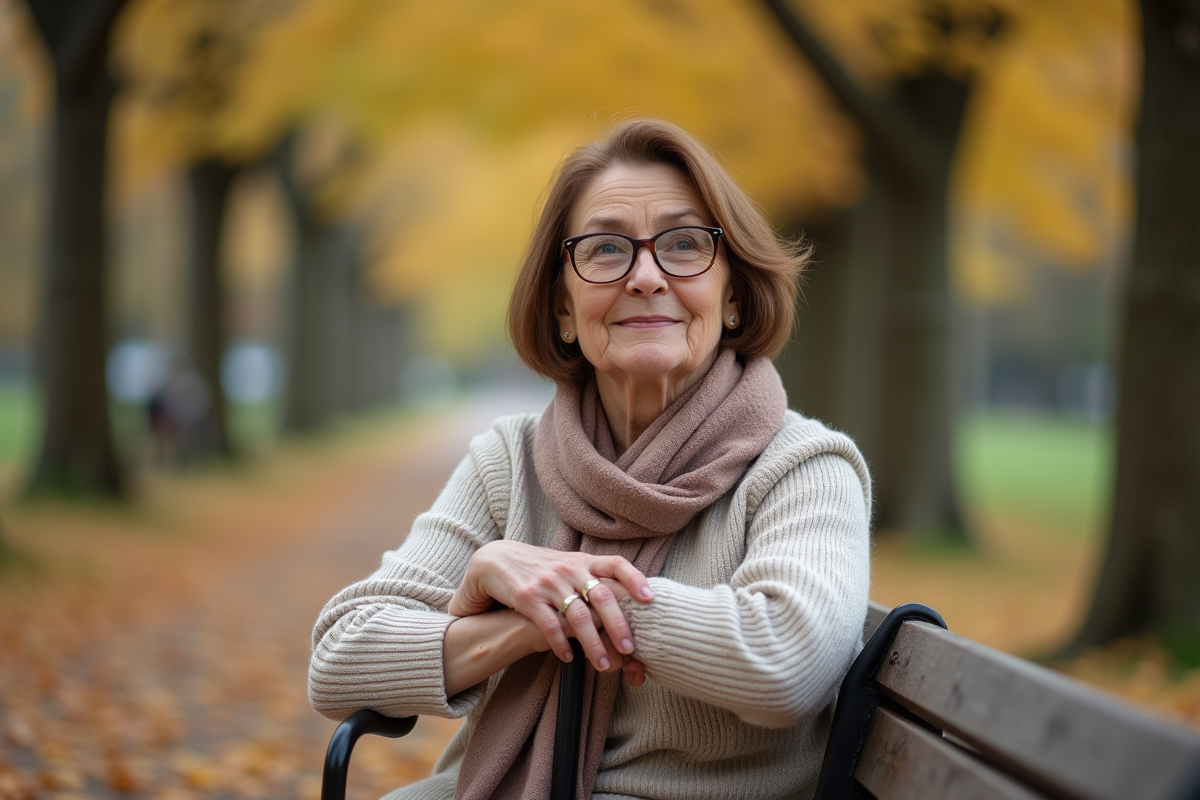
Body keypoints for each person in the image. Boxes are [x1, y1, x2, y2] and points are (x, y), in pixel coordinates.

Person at [309, 119, 871, 800]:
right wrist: (520, 627)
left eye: (685, 244)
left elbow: (787, 665)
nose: (644, 276)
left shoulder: (804, 467)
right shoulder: (510, 461)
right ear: (564, 310)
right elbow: (340, 657)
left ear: (733, 297)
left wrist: (563, 592)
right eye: (605, 250)